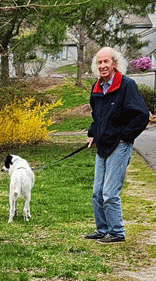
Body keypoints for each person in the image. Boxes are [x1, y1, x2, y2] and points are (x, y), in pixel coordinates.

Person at [84, 47, 149, 244]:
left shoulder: (127, 85)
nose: (103, 66)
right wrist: (93, 134)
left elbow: (142, 115)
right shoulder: (97, 88)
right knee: (97, 192)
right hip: (102, 145)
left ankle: (117, 232)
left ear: (115, 63)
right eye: (99, 62)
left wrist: (125, 137)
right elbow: (98, 117)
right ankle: (103, 230)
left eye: (106, 62)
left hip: (119, 146)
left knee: (110, 193)